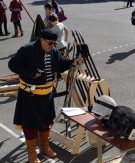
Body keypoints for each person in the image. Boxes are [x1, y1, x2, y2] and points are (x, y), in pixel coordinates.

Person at [8, 29, 83, 163]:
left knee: (47, 122)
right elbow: (12, 64)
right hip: (30, 95)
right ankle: (31, 154)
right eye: (50, 43)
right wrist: (30, 73)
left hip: (47, 94)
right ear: (42, 40)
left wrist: (73, 62)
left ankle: (44, 147)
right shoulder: (27, 49)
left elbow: (60, 66)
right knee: (30, 125)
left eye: (54, 43)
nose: (52, 46)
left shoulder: (53, 51)